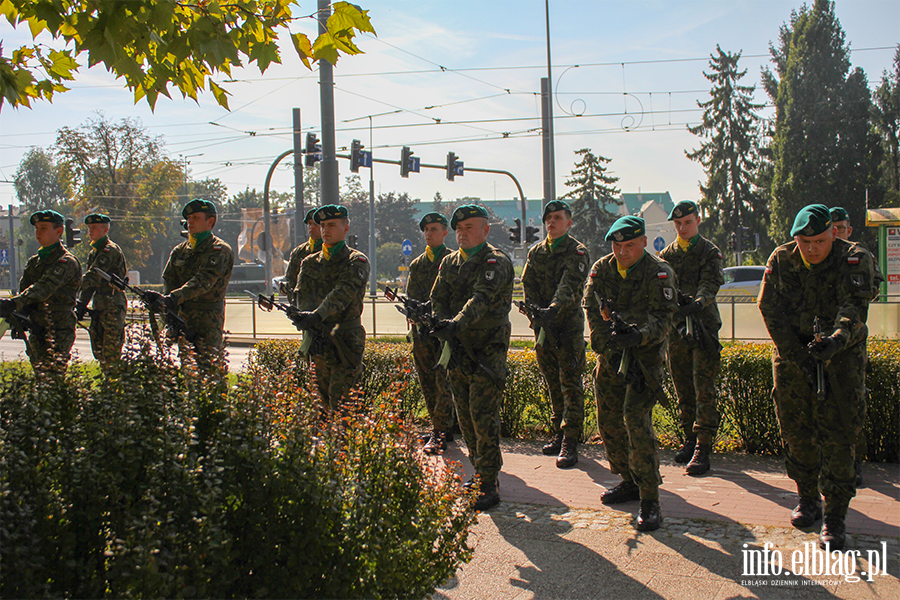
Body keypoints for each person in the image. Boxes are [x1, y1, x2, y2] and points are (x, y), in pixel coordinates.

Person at [758, 204, 875, 551]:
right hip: (794, 360)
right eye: (804, 241)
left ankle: (836, 516)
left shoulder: (854, 258)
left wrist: (837, 339)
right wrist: (798, 356)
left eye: (820, 240)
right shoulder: (781, 260)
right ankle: (807, 499)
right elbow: (769, 309)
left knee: (839, 435)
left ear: (833, 234)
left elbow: (854, 305)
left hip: (841, 360)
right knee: (797, 432)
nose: (812, 248)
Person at [583, 215, 677, 531]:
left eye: (630, 246)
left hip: (644, 361)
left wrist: (638, 336)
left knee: (637, 423)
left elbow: (663, 319)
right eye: (617, 246)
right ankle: (629, 480)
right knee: (608, 422)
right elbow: (592, 311)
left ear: (644, 243)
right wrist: (603, 340)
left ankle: (650, 499)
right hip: (611, 357)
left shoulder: (659, 273)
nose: (622, 252)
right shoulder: (602, 269)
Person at [430, 205, 513, 511]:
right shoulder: (449, 262)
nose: (463, 233)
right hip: (457, 347)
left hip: (486, 348)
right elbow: (437, 298)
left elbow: (481, 298)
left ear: (485, 230)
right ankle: (479, 470)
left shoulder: (495, 261)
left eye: (469, 227)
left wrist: (455, 324)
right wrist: (440, 321)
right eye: (459, 229)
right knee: (464, 414)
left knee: (483, 414)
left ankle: (489, 481)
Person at [521, 200, 590, 468]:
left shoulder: (577, 251)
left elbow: (570, 285)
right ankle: (559, 432)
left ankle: (571, 440)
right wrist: (535, 313)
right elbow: (528, 283)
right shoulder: (537, 252)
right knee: (552, 381)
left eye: (558, 217)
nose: (551, 221)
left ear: (568, 222)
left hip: (567, 327)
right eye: (548, 218)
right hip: (543, 328)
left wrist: (553, 310)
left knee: (570, 383)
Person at [659, 200, 724, 475]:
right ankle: (689, 438)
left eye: (687, 222)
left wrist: (697, 303)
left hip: (703, 326)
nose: (682, 228)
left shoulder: (709, 251)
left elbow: (711, 282)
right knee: (683, 385)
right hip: (677, 329)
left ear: (698, 220)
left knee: (703, 388)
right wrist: (675, 309)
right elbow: (662, 288)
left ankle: (704, 446)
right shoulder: (666, 254)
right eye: (678, 224)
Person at [294, 204, 369, 410]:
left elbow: (344, 292)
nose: (325, 230)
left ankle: (344, 442)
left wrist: (316, 315)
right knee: (320, 404)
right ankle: (324, 442)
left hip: (344, 340)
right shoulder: (309, 262)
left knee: (343, 405)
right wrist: (299, 314)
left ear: (345, 229)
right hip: (318, 340)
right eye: (323, 225)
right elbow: (302, 294)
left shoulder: (356, 260)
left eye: (332, 225)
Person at [830, 206, 883, 488]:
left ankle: (854, 462)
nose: (835, 232)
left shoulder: (859, 255)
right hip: (825, 342)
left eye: (840, 227)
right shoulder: (822, 254)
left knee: (852, 403)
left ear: (848, 230)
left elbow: (872, 289)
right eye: (832, 227)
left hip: (851, 342)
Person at [152, 199, 234, 373]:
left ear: (210, 221)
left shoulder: (219, 250)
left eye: (196, 217)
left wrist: (174, 298)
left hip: (207, 320)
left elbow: (204, 281)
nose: (190, 222)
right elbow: (169, 279)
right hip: (182, 317)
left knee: (210, 369)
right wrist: (166, 304)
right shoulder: (180, 250)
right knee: (188, 367)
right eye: (188, 218)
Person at [0, 210, 82, 374]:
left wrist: (14, 303)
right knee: (40, 375)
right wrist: (19, 315)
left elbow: (43, 288)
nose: (38, 233)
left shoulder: (66, 261)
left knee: (53, 377)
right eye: (36, 228)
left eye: (43, 228)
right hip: (36, 326)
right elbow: (26, 290)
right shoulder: (34, 262)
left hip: (58, 328)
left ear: (58, 231)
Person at [406, 212, 455, 454]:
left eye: (434, 229)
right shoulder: (417, 264)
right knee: (427, 381)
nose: (428, 233)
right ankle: (440, 427)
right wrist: (414, 315)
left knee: (442, 381)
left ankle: (440, 432)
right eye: (426, 229)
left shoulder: (453, 260)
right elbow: (411, 297)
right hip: (421, 332)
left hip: (443, 332)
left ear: (445, 232)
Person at [75, 213, 128, 369]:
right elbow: (90, 285)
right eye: (89, 228)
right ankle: (108, 383)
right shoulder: (94, 252)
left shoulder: (108, 250)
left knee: (111, 350)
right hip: (100, 306)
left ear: (105, 230)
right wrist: (81, 305)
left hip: (112, 305)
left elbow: (92, 277)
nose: (90, 232)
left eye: (94, 228)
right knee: (99, 349)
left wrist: (70, 285)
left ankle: (113, 385)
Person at [283, 207, 322, 305]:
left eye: (316, 224)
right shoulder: (299, 252)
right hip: (301, 308)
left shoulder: (330, 250)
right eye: (309, 224)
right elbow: (291, 280)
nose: (311, 227)